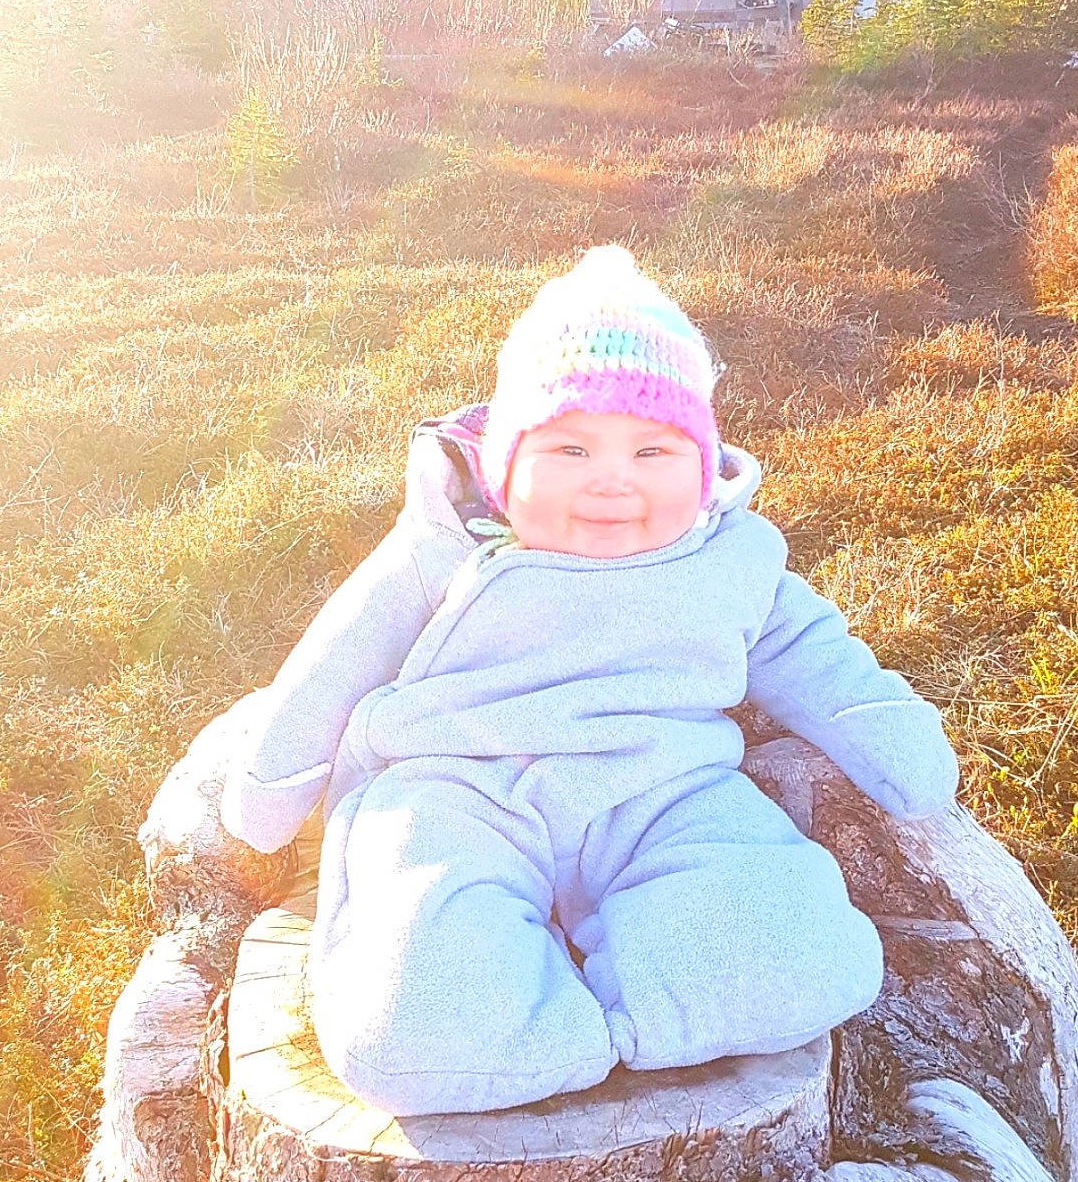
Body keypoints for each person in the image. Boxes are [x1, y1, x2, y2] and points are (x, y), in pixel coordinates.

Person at [219, 246, 959, 1117]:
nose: (613, 479)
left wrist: (896, 740)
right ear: (506, 466)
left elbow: (821, 657)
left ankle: (653, 992)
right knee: (416, 1002)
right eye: (570, 447)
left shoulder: (733, 559)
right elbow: (340, 651)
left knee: (791, 948)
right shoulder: (445, 547)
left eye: (653, 449)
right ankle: (507, 1019)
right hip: (458, 787)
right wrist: (269, 786)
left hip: (661, 787)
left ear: (703, 466)